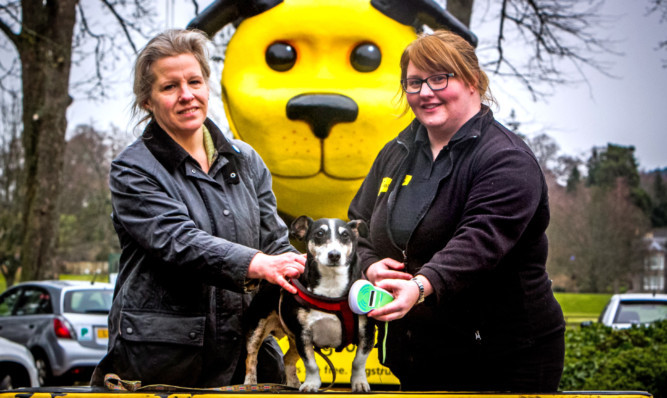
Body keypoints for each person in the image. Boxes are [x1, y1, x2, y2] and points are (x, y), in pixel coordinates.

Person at [348, 30, 565, 392]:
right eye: (414, 82)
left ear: (472, 80)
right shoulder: (395, 153)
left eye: (439, 78)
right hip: (418, 355)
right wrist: (369, 262)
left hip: (503, 359)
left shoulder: (506, 159)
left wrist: (420, 285)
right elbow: (357, 226)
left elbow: (480, 242)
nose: (425, 92)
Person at [91, 29, 305, 388]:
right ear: (147, 100)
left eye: (194, 81)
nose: (186, 95)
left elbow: (275, 244)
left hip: (245, 353)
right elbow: (178, 241)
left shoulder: (246, 160)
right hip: (164, 362)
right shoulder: (133, 169)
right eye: (169, 87)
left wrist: (317, 279)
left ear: (207, 85)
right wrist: (256, 263)